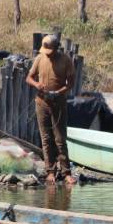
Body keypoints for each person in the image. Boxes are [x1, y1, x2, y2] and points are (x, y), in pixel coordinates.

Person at [25, 35, 77, 185]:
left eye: (50, 51)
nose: (47, 53)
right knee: (46, 139)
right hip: (42, 103)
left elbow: (71, 82)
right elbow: (29, 78)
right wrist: (36, 85)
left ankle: (66, 172)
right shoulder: (40, 58)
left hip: (58, 104)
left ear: (56, 48)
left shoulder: (66, 60)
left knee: (60, 139)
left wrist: (60, 91)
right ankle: (50, 171)